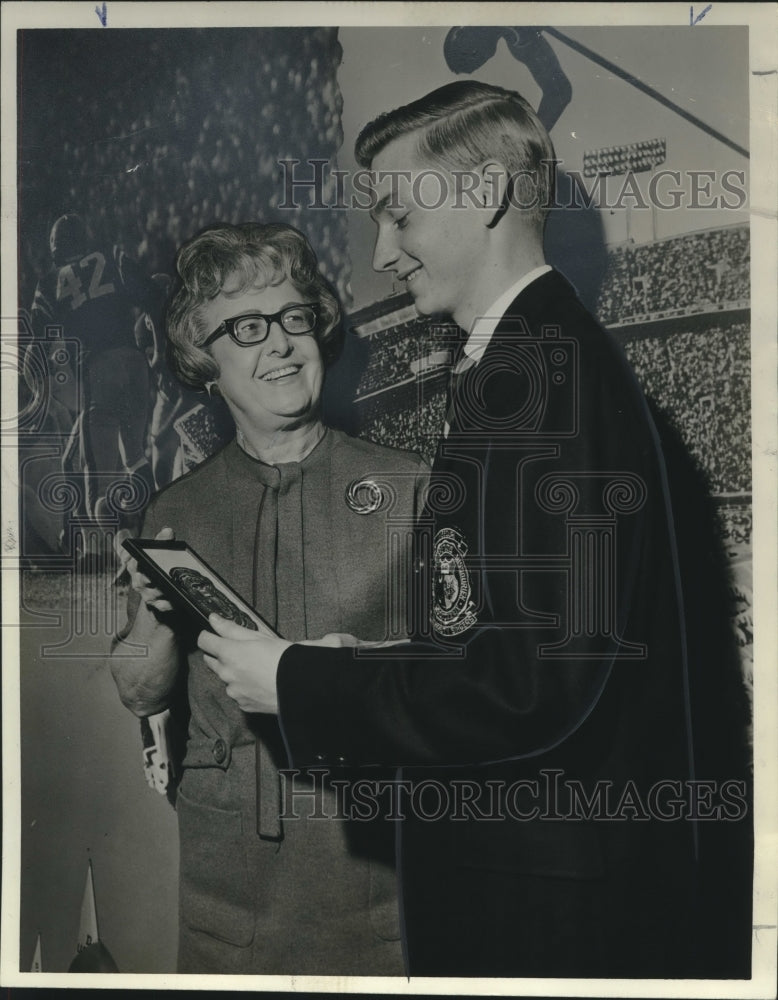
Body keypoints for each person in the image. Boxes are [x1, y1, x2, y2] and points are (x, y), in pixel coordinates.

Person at [196, 82, 752, 979]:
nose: (382, 253)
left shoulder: (548, 383)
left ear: (488, 193)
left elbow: (534, 685)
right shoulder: (531, 361)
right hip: (535, 883)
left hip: (546, 913)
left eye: (400, 218)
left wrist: (303, 679)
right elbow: (505, 636)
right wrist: (365, 663)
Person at [110, 222, 429, 975]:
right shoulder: (174, 511)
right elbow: (138, 690)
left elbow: (468, 675)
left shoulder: (414, 485)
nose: (281, 344)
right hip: (230, 882)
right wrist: (157, 619)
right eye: (248, 328)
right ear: (203, 358)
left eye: (295, 319)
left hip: (374, 866)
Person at [28, 214, 163, 544]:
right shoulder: (111, 254)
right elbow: (154, 294)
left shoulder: (50, 282)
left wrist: (36, 400)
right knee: (136, 458)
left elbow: (36, 350)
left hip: (99, 372)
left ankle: (125, 552)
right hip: (133, 363)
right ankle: (153, 531)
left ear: (56, 249)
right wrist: (158, 351)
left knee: (96, 495)